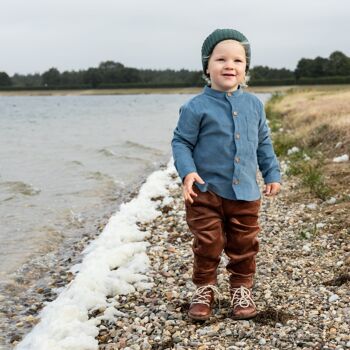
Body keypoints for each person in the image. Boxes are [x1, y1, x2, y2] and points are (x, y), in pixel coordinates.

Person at [171, 28, 281, 321]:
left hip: (245, 192)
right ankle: (205, 287)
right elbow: (181, 141)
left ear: (246, 68)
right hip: (205, 192)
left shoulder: (254, 105)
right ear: (207, 66)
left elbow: (263, 143)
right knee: (208, 243)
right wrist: (188, 172)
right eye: (221, 59)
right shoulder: (195, 107)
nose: (229, 65)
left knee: (244, 245)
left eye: (238, 60)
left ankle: (240, 288)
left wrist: (272, 173)